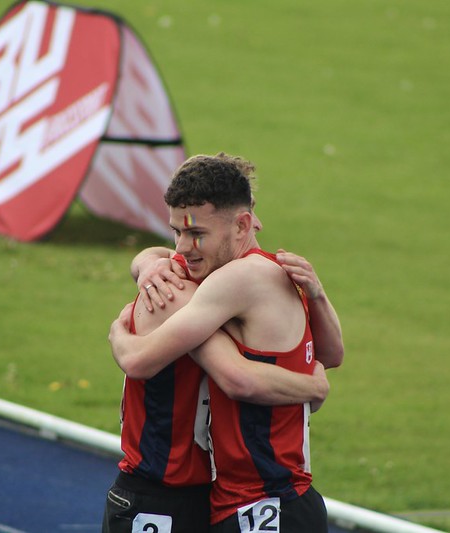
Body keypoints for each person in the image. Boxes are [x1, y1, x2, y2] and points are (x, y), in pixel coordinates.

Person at [109, 153, 343, 532]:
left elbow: (145, 363)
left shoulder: (234, 281)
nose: (182, 248)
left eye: (196, 234)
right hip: (236, 504)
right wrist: (146, 261)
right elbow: (332, 354)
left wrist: (116, 333)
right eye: (177, 232)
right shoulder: (261, 270)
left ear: (242, 224)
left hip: (252, 506)